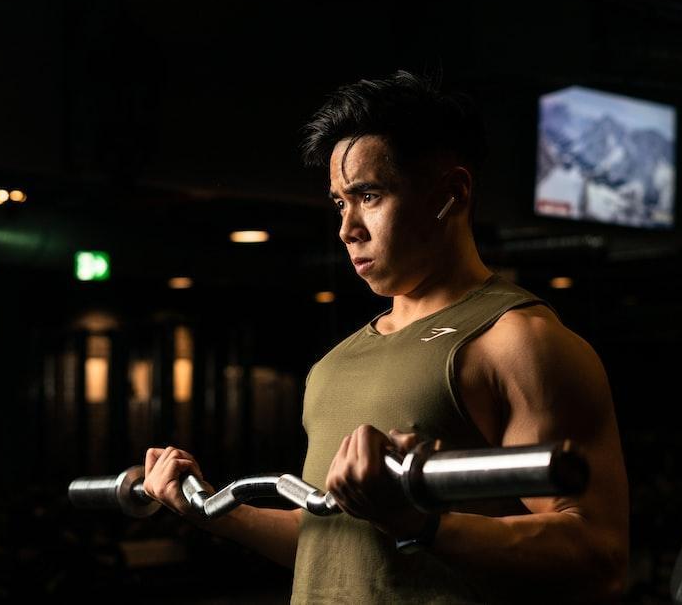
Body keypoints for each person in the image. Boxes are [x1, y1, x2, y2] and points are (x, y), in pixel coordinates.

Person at [143, 71, 629, 603]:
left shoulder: (517, 341)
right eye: (339, 203)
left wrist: (421, 523)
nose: (347, 228)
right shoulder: (335, 363)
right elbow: (332, 543)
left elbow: (596, 556)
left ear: (452, 192)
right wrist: (214, 510)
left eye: (369, 195)